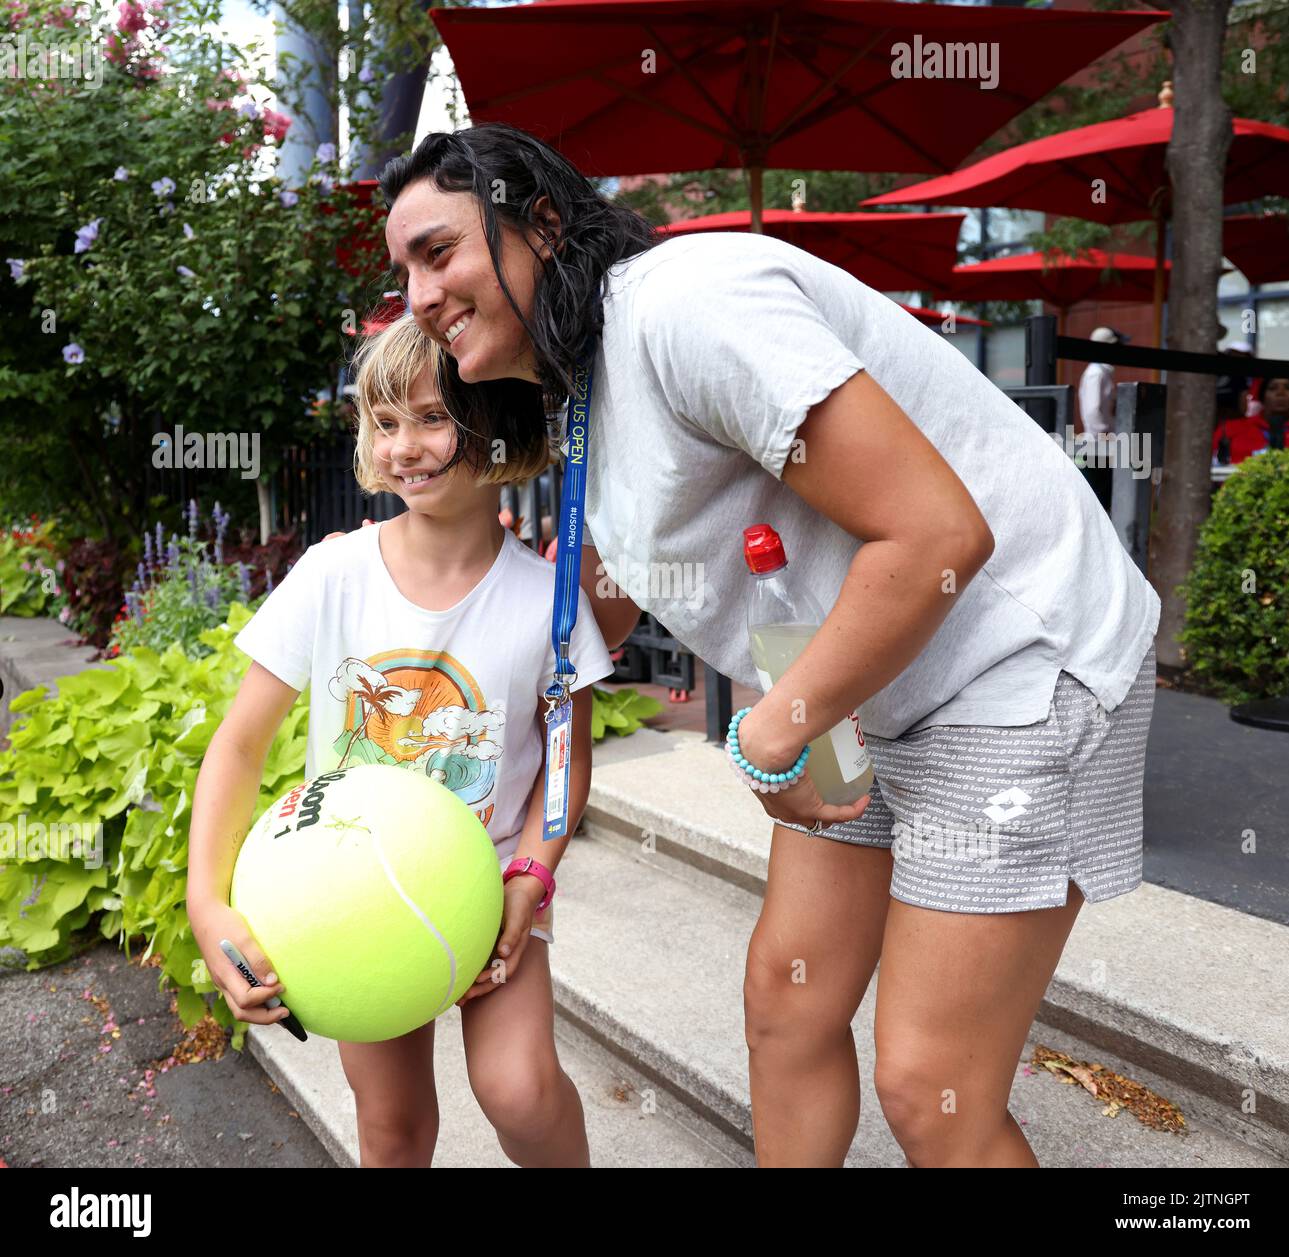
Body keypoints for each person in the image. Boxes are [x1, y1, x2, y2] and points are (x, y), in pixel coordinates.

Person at [371, 123, 1162, 1169]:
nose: (418, 295)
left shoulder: (691, 305)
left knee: (933, 1088)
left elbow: (937, 534)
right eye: (402, 272)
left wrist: (772, 728)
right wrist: (436, 677)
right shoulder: (586, 390)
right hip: (860, 679)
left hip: (1009, 663)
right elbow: (599, 597)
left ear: (543, 225)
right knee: (786, 1006)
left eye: (438, 252)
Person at [186, 313, 614, 1168]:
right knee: (391, 1126)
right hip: (348, 898)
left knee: (520, 1091)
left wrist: (532, 873)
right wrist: (209, 902)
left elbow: (565, 765)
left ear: (502, 430)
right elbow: (238, 745)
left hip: (492, 889)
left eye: (432, 417)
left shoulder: (547, 604)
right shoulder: (331, 573)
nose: (403, 444)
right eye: (385, 421)